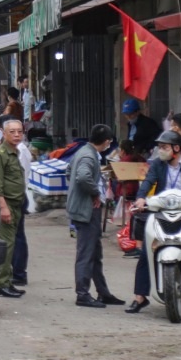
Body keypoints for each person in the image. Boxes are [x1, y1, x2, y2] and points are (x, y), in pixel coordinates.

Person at [126, 131, 181, 313]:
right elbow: (147, 182)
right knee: (147, 249)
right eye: (160, 147)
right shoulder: (158, 165)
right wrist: (141, 198)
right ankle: (140, 296)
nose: (161, 151)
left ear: (176, 149)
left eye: (164, 147)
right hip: (162, 213)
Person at [68, 124, 123, 308]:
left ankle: (103, 292)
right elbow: (82, 178)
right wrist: (94, 193)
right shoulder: (88, 156)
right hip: (86, 211)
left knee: (94, 253)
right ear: (107, 142)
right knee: (86, 253)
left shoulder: (84, 152)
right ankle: (82, 294)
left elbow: (70, 173)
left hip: (86, 209)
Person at [0, 118, 27, 298]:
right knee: (7, 245)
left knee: (11, 245)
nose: (17, 135)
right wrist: (3, 207)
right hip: (8, 205)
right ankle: (0, 283)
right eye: (12, 132)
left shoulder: (15, 153)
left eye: (19, 131)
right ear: (3, 134)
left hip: (17, 204)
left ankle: (7, 281)